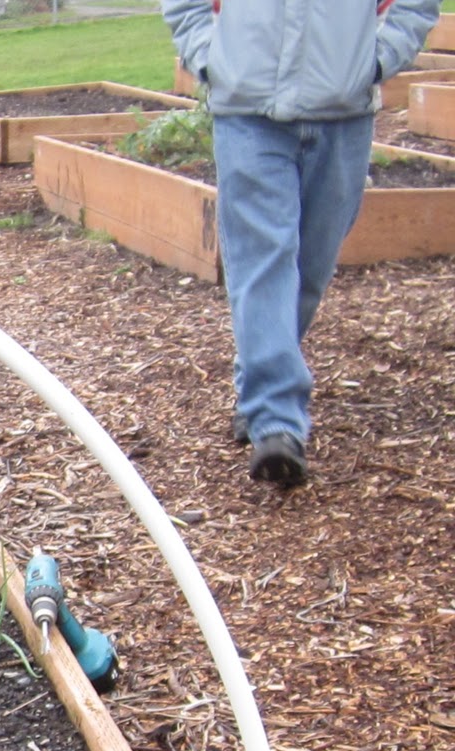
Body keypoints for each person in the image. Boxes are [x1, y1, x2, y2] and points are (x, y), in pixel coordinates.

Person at [162, 0, 441, 487]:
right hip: (247, 110)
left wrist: (376, 60)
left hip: (344, 111)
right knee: (265, 262)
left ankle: (257, 377)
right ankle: (276, 421)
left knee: (309, 271)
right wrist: (210, 58)